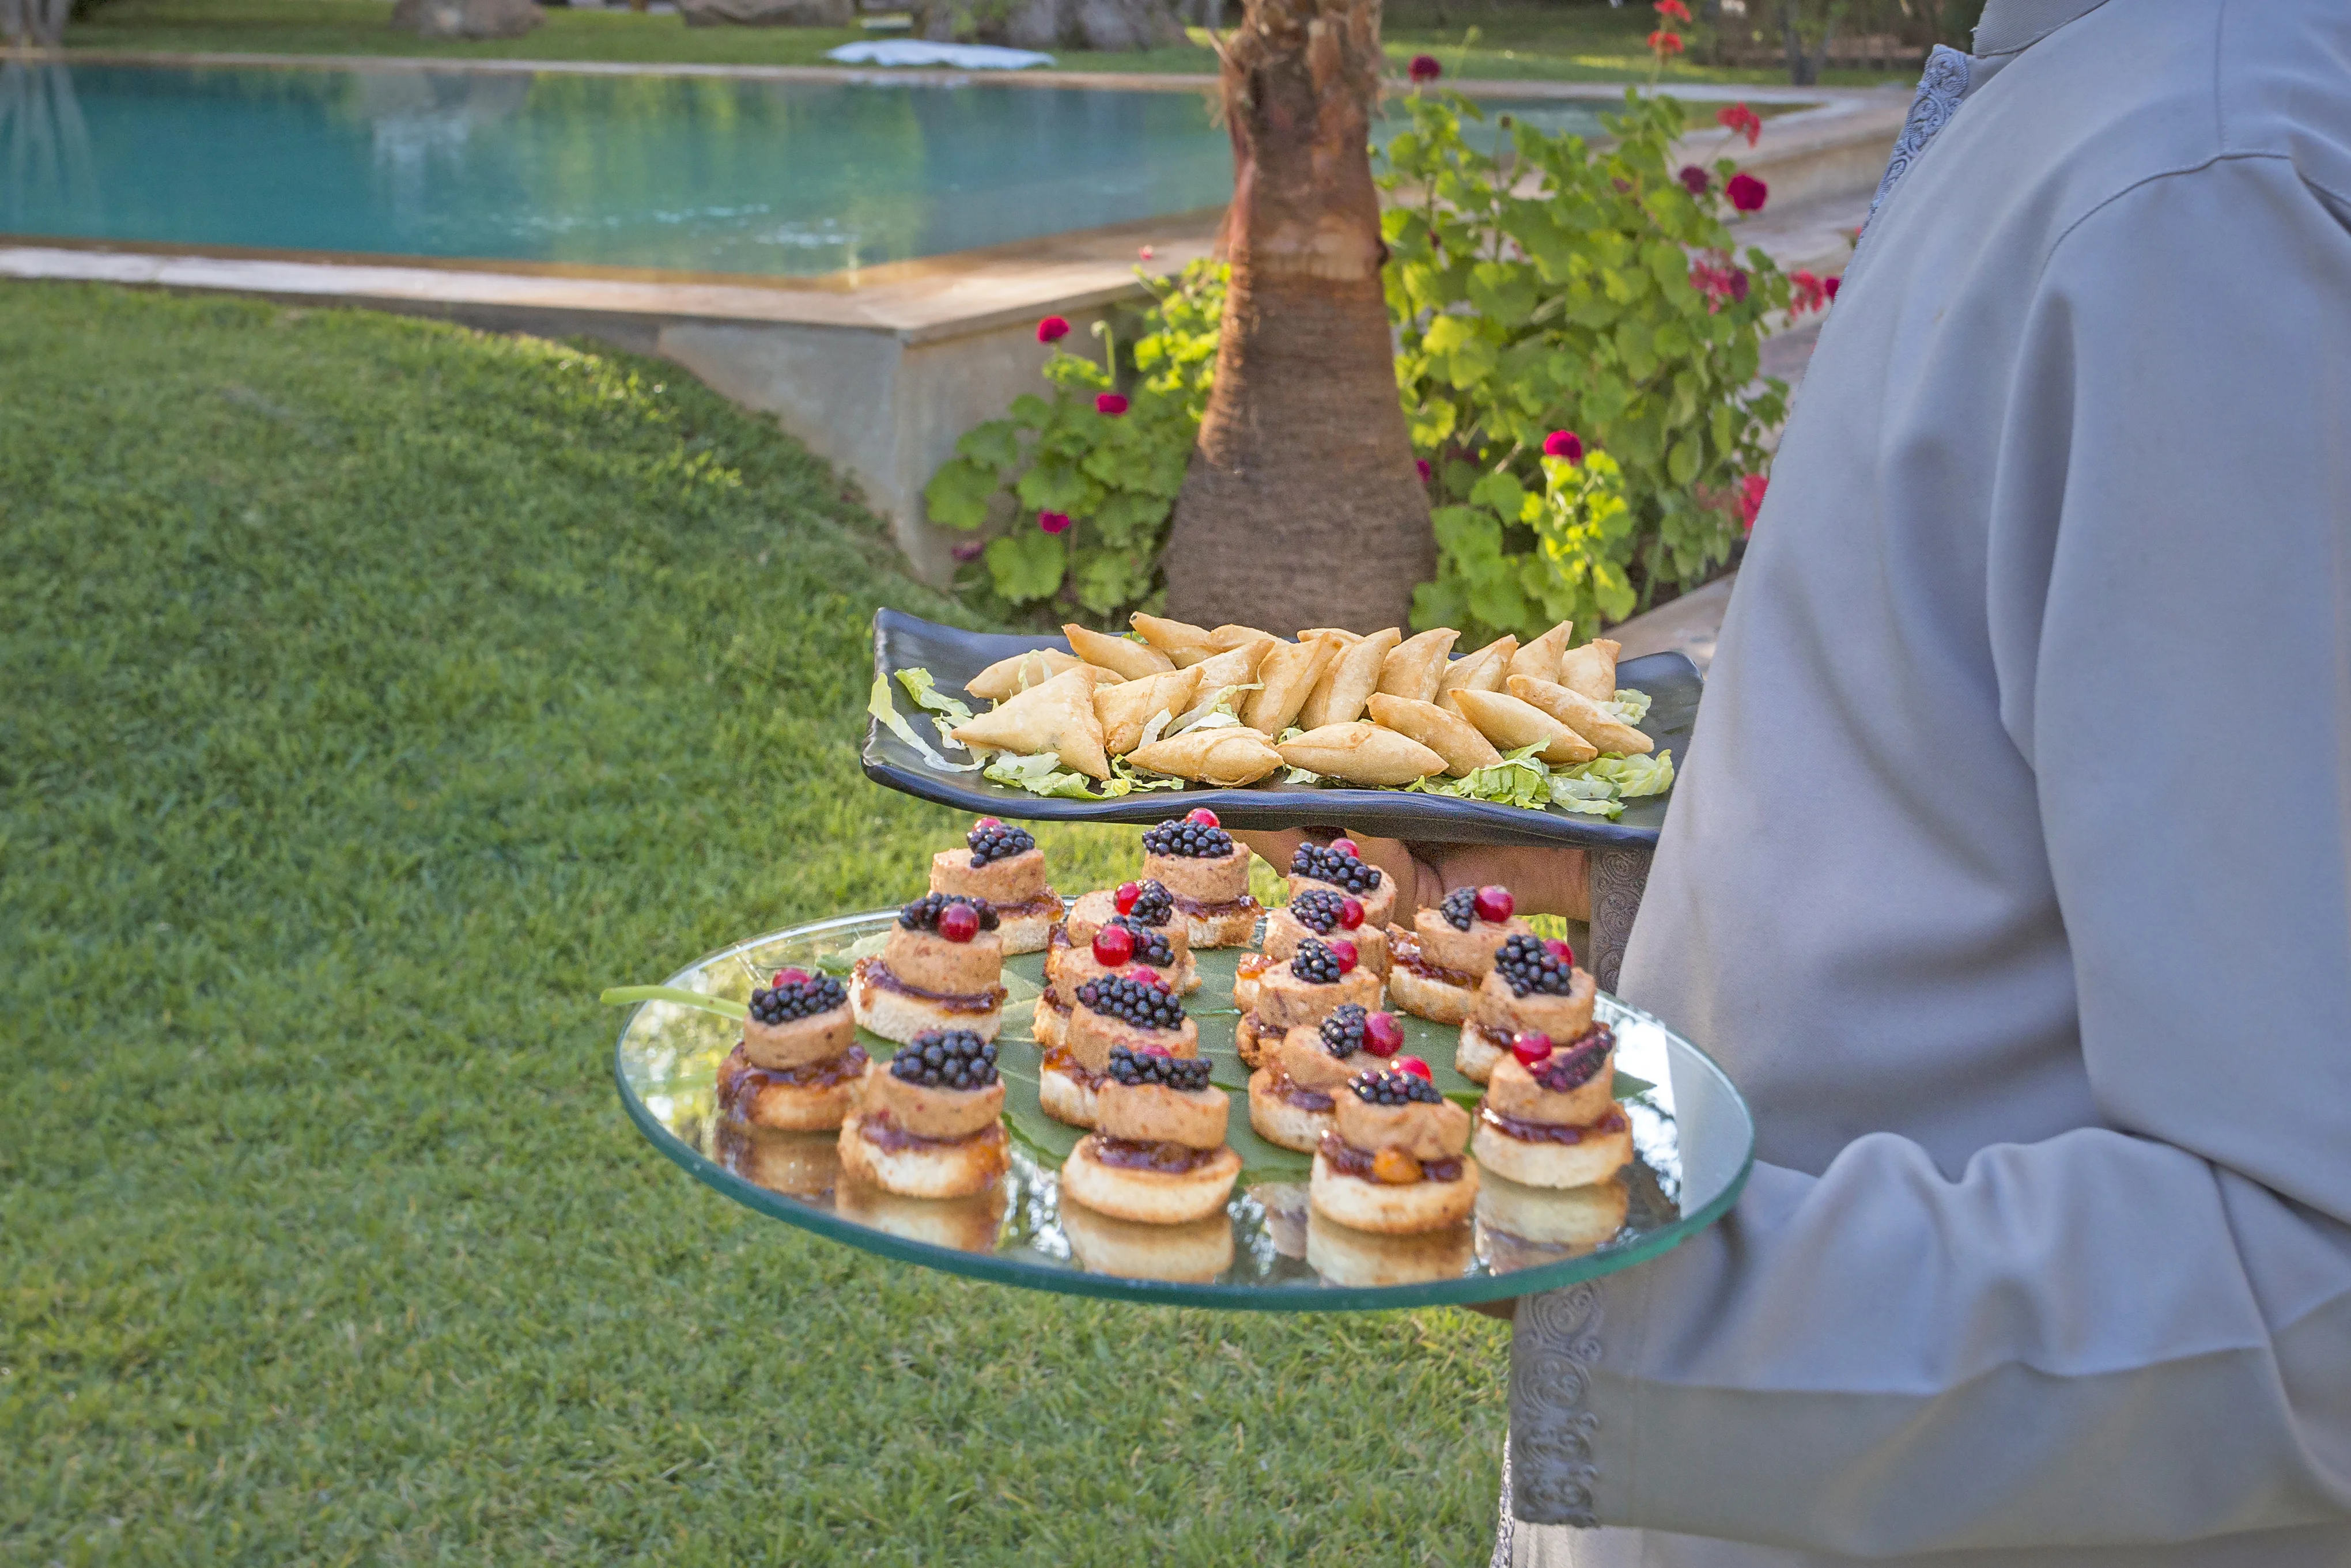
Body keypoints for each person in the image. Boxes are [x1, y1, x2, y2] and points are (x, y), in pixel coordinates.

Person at [1248, 0, 2351, 1561]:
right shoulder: (2113, 106)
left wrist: (1551, 1233)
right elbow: (1991, 787)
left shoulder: (2209, 185)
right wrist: (1593, 872)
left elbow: (2307, 1291)